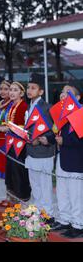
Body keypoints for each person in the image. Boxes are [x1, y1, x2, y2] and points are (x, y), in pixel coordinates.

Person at [51, 85, 83, 238]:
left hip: (76, 161)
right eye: (62, 91)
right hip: (62, 158)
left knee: (76, 195)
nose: (63, 94)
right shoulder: (61, 115)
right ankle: (65, 220)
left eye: (68, 92)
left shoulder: (81, 114)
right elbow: (56, 134)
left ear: (77, 98)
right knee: (62, 192)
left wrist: (65, 141)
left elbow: (80, 140)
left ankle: (78, 225)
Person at [25, 73, 56, 221]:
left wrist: (43, 139)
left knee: (45, 186)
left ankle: (48, 214)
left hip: (44, 153)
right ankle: (37, 211)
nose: (29, 90)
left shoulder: (47, 107)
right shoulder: (28, 106)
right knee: (35, 185)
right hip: (31, 152)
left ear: (41, 91)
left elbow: (53, 131)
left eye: (33, 88)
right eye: (28, 87)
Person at [0, 82, 31, 202]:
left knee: (18, 171)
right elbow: (9, 123)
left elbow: (23, 127)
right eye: (10, 90)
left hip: (20, 144)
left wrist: (6, 128)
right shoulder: (11, 106)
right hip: (10, 142)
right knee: (10, 170)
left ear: (21, 93)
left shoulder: (23, 106)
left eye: (15, 90)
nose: (11, 92)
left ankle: (21, 197)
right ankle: (12, 197)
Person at [0, 80, 12, 206]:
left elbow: (11, 124)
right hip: (0, 139)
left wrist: (1, 127)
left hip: (8, 139)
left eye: (6, 89)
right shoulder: (1, 104)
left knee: (9, 168)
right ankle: (7, 196)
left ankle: (11, 197)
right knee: (3, 168)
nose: (3, 91)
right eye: (1, 88)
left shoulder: (11, 105)